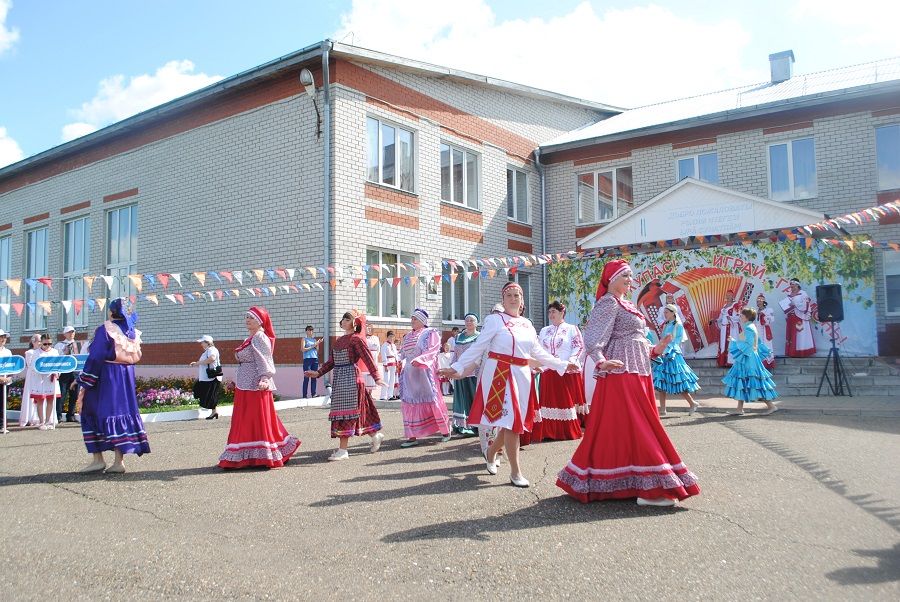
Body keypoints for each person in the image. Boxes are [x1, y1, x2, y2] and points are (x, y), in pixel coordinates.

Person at [557, 260, 700, 507]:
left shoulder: (626, 304)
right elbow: (593, 338)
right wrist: (601, 362)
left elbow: (636, 340)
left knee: (629, 427)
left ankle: (634, 482)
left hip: (638, 371)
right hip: (621, 372)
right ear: (611, 279)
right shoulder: (608, 302)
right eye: (625, 276)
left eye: (631, 276)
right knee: (638, 426)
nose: (630, 279)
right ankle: (652, 487)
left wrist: (656, 349)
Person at [441, 283, 577, 488]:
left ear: (522, 301)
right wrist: (458, 366)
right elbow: (478, 346)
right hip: (499, 374)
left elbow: (538, 353)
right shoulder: (495, 320)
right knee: (513, 423)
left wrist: (563, 365)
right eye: (509, 295)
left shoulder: (527, 325)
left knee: (510, 422)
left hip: (521, 375)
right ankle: (515, 472)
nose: (514, 299)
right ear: (503, 300)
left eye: (517, 295)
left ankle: (491, 451)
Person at [218, 306, 300, 469]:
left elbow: (265, 359)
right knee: (246, 420)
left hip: (256, 386)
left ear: (260, 322)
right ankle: (249, 456)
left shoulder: (260, 337)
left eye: (252, 318)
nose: (248, 320)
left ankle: (264, 455)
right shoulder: (250, 338)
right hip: (245, 385)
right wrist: (236, 380)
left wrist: (265, 378)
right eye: (246, 317)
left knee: (257, 420)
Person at [75, 298, 150, 473]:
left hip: (106, 375)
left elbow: (96, 355)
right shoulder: (133, 332)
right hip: (125, 377)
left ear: (111, 311)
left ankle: (98, 459)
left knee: (91, 409)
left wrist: (84, 378)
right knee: (120, 412)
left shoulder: (106, 329)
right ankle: (118, 461)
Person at [305, 310, 385, 460]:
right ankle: (375, 435)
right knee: (359, 412)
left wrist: (377, 377)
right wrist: (318, 373)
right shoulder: (339, 340)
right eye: (343, 319)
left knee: (346, 412)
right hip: (340, 378)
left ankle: (343, 450)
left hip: (351, 379)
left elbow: (368, 358)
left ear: (355, 323)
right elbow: (331, 362)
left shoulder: (356, 339)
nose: (343, 321)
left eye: (347, 319)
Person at [398, 308, 451, 447]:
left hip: (424, 372)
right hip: (410, 374)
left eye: (415, 319)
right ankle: (412, 436)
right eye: (412, 319)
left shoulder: (430, 333)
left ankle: (445, 431)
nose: (412, 321)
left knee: (432, 399)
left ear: (422, 321)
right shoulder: (408, 336)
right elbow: (403, 353)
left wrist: (421, 360)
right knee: (410, 402)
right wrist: (398, 360)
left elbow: (433, 350)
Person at [536, 301, 586, 441]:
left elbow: (579, 346)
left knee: (564, 400)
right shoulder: (544, 330)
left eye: (554, 311)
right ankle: (548, 432)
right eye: (550, 311)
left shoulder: (571, 328)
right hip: (548, 370)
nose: (551, 314)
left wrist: (571, 361)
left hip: (565, 369)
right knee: (548, 402)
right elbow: (539, 349)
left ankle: (566, 431)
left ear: (562, 312)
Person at [723, 307, 778, 416]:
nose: (740, 317)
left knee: (754, 382)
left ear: (746, 317)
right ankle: (739, 409)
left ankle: (771, 406)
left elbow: (748, 344)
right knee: (743, 381)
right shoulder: (751, 326)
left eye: (741, 315)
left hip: (749, 358)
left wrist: (733, 343)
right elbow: (757, 343)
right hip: (749, 356)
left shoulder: (749, 328)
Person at [654, 304, 701, 416]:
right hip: (664, 354)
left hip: (673, 355)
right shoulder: (665, 324)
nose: (664, 314)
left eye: (666, 312)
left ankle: (692, 403)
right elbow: (663, 339)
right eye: (664, 312)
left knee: (678, 380)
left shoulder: (678, 325)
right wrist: (660, 349)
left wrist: (667, 350)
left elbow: (677, 341)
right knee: (661, 381)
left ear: (672, 313)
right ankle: (663, 409)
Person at [450, 313, 479, 437]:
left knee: (474, 398)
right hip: (460, 372)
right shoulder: (459, 337)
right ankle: (462, 426)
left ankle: (475, 426)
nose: (469, 322)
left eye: (472, 320)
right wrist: (452, 369)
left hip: (474, 372)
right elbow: (455, 355)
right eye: (467, 320)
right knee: (461, 398)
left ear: (476, 323)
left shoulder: (480, 337)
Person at [29, 334, 61, 431]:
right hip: (40, 379)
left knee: (50, 400)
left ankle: (48, 421)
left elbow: (58, 364)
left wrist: (57, 373)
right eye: (45, 344)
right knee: (40, 400)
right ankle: (41, 421)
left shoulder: (55, 352)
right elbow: (33, 366)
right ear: (41, 343)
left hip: (51, 379)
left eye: (50, 343)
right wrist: (41, 370)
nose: (47, 346)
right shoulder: (36, 352)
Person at [190, 335, 223, 419]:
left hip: (211, 377)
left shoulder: (212, 350)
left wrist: (198, 363)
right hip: (207, 377)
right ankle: (214, 412)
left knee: (208, 394)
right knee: (208, 394)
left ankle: (213, 412)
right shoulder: (207, 351)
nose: (201, 344)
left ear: (207, 343)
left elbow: (212, 358)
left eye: (202, 342)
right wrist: (197, 363)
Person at [782, 279, 816, 358]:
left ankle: (800, 352)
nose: (791, 287)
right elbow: (788, 306)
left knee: (800, 335)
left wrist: (795, 303)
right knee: (791, 334)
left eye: (793, 285)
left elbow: (806, 305)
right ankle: (792, 352)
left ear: (797, 285)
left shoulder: (803, 294)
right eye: (790, 285)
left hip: (799, 317)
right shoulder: (789, 294)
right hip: (791, 317)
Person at [54, 326, 80, 422]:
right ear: (65, 334)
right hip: (65, 372)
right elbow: (56, 358)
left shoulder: (78, 344)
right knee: (62, 394)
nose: (71, 334)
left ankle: (71, 415)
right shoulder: (59, 345)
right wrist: (64, 353)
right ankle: (58, 415)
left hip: (75, 372)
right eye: (69, 332)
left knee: (74, 395)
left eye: (73, 332)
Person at [713, 290, 741, 368]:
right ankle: (724, 361)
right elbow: (721, 318)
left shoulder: (735, 305)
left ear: (733, 296)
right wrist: (715, 320)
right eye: (727, 295)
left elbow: (738, 317)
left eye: (730, 295)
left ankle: (732, 362)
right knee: (723, 344)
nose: (728, 296)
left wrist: (730, 318)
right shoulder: (724, 306)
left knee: (731, 343)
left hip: (732, 328)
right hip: (724, 328)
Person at [18, 334, 42, 427]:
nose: (40, 343)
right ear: (33, 342)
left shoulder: (42, 352)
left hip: (40, 377)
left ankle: (38, 417)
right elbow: (30, 365)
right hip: (32, 377)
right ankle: (29, 418)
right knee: (31, 397)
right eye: (39, 341)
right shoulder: (30, 352)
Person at [301, 325, 322, 398]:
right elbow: (303, 349)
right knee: (306, 377)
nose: (311, 332)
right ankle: (304, 395)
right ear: (306, 331)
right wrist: (313, 346)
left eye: (312, 330)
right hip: (307, 359)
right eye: (309, 330)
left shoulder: (314, 340)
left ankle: (314, 394)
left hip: (315, 359)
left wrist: (317, 344)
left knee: (314, 377)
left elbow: (317, 350)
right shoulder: (304, 339)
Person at [756, 294, 776, 371]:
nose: (759, 302)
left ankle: (767, 365)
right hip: (758, 331)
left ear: (764, 302)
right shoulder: (756, 311)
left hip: (765, 331)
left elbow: (771, 320)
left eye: (760, 301)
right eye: (758, 301)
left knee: (766, 346)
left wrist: (764, 317)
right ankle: (760, 365)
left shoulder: (768, 310)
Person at [379, 331, 399, 401]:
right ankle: (383, 395)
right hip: (387, 363)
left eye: (392, 337)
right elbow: (383, 355)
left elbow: (396, 355)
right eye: (390, 336)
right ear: (387, 337)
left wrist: (397, 364)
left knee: (392, 380)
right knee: (386, 380)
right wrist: (385, 365)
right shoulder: (384, 345)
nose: (391, 338)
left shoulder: (393, 345)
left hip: (394, 363)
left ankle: (390, 395)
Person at [362, 324, 381, 394]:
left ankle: (370, 393)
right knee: (366, 375)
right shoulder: (363, 338)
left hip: (374, 357)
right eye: (367, 328)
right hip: (366, 358)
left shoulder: (375, 338)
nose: (369, 330)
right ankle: (365, 393)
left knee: (372, 374)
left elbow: (378, 349)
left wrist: (375, 356)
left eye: (370, 328)